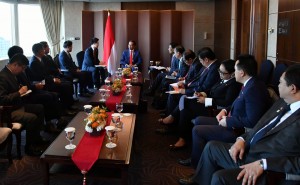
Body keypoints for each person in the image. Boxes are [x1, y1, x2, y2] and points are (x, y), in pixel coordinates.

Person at [178, 54, 271, 168]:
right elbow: (234, 103)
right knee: (197, 120)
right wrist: (226, 111)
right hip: (226, 116)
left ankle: (196, 164)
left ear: (241, 72)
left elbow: (253, 120)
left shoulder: (253, 89)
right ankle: (198, 158)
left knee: (197, 129)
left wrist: (228, 120)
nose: (233, 73)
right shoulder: (248, 84)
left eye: (235, 70)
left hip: (236, 129)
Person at [160, 59, 242, 148]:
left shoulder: (234, 84)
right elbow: (211, 90)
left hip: (214, 109)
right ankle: (181, 137)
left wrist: (206, 100)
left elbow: (227, 103)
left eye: (223, 72)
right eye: (219, 71)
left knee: (186, 102)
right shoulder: (223, 78)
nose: (220, 74)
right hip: (208, 103)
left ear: (232, 74)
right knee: (185, 110)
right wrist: (202, 93)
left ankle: (172, 120)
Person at [0, 53, 48, 156]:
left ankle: (37, 138)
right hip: (9, 111)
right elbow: (2, 100)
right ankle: (29, 147)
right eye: (22, 68)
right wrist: (19, 92)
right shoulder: (3, 77)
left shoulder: (12, 74)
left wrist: (22, 91)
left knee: (40, 107)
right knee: (32, 118)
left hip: (17, 105)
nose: (22, 71)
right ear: (15, 65)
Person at [29, 43, 75, 116]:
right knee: (65, 87)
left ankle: (68, 106)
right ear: (39, 51)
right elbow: (41, 77)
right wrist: (53, 79)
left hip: (47, 80)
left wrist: (53, 78)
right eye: (43, 50)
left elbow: (46, 73)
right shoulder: (34, 62)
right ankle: (65, 109)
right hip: (43, 84)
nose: (44, 51)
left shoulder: (40, 59)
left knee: (67, 84)